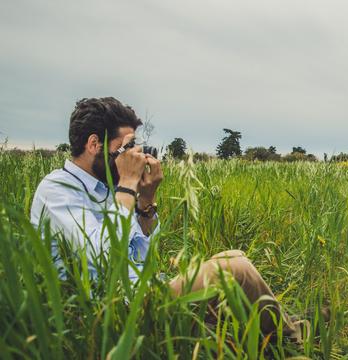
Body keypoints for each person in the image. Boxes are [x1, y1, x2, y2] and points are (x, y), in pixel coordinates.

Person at [30, 97, 300, 340]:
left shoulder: (107, 187)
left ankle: (276, 332)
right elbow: (108, 263)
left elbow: (142, 259)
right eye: (126, 147)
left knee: (233, 256)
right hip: (109, 315)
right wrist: (126, 185)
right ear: (93, 144)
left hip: (140, 295)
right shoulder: (57, 190)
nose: (135, 156)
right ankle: (292, 342)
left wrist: (146, 200)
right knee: (234, 269)